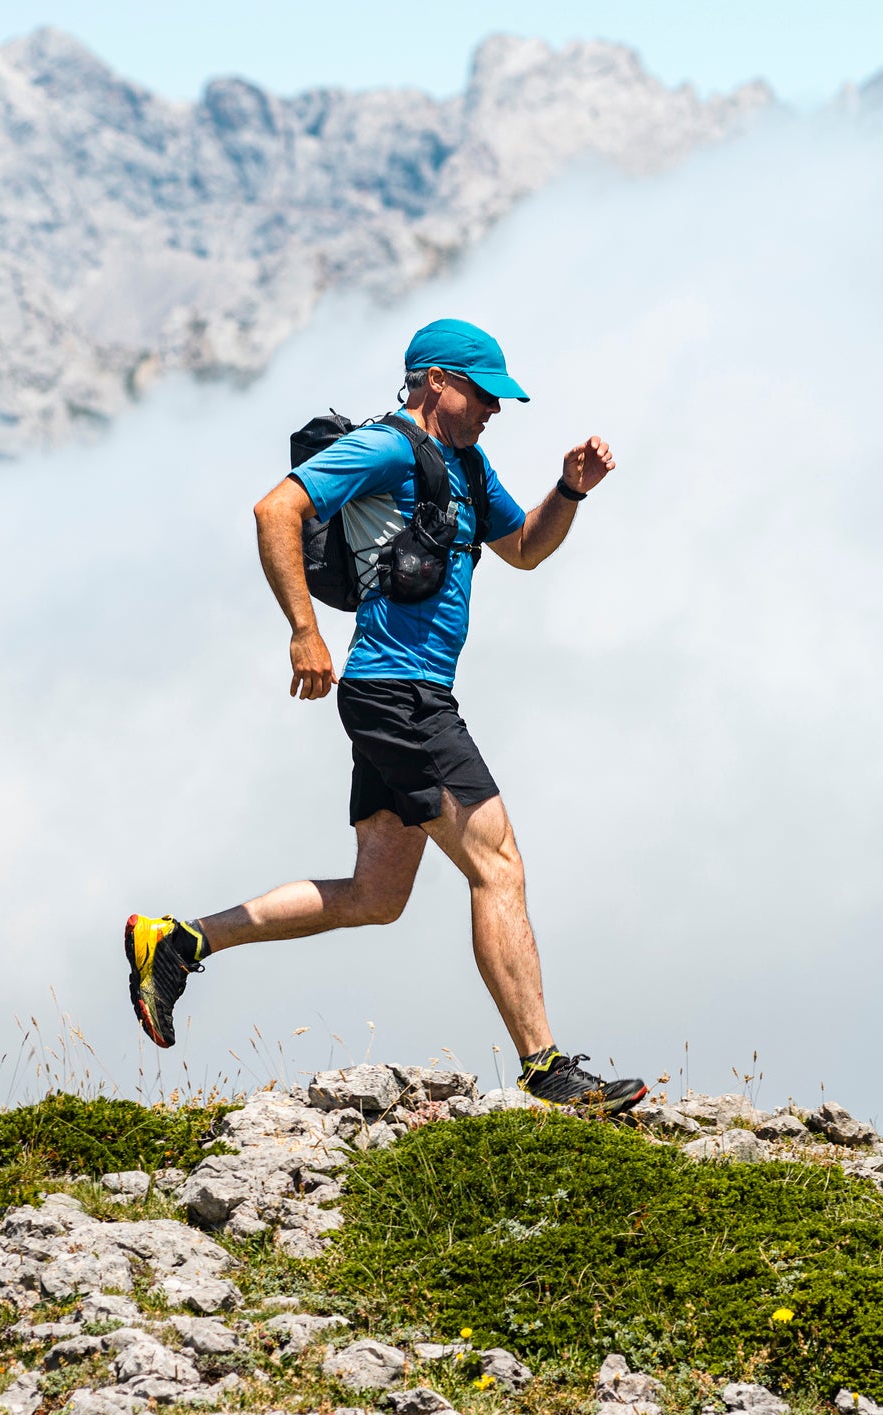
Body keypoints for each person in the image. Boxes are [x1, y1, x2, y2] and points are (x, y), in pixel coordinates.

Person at [123, 318, 648, 1114]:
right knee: (497, 866)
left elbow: (527, 548)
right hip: (400, 694)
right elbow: (275, 511)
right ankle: (546, 1069)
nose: (493, 410)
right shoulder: (388, 448)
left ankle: (180, 940)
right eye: (482, 394)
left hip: (403, 695)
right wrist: (304, 630)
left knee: (376, 895)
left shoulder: (467, 467)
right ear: (435, 380)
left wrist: (569, 488)